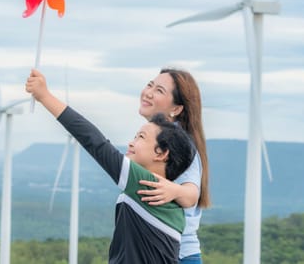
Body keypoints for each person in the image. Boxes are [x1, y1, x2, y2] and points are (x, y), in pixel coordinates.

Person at [25, 69, 196, 264]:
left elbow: (95, 142)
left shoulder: (146, 185)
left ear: (162, 153)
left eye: (140, 137)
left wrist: (45, 97)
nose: (131, 143)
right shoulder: (167, 200)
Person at [136, 68, 211, 264]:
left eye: (159, 90)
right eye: (150, 84)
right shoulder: (156, 138)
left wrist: (174, 190)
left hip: (178, 256)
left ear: (176, 109)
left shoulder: (180, 142)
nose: (148, 92)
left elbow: (191, 194)